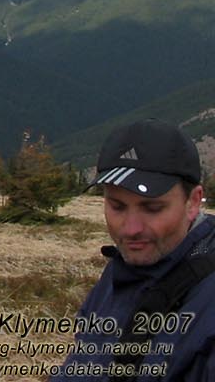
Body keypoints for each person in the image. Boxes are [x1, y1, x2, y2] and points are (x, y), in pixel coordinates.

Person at [54, 120, 215, 381]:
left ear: (193, 202)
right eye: (117, 206)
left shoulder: (207, 306)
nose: (131, 229)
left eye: (152, 209)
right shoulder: (121, 272)